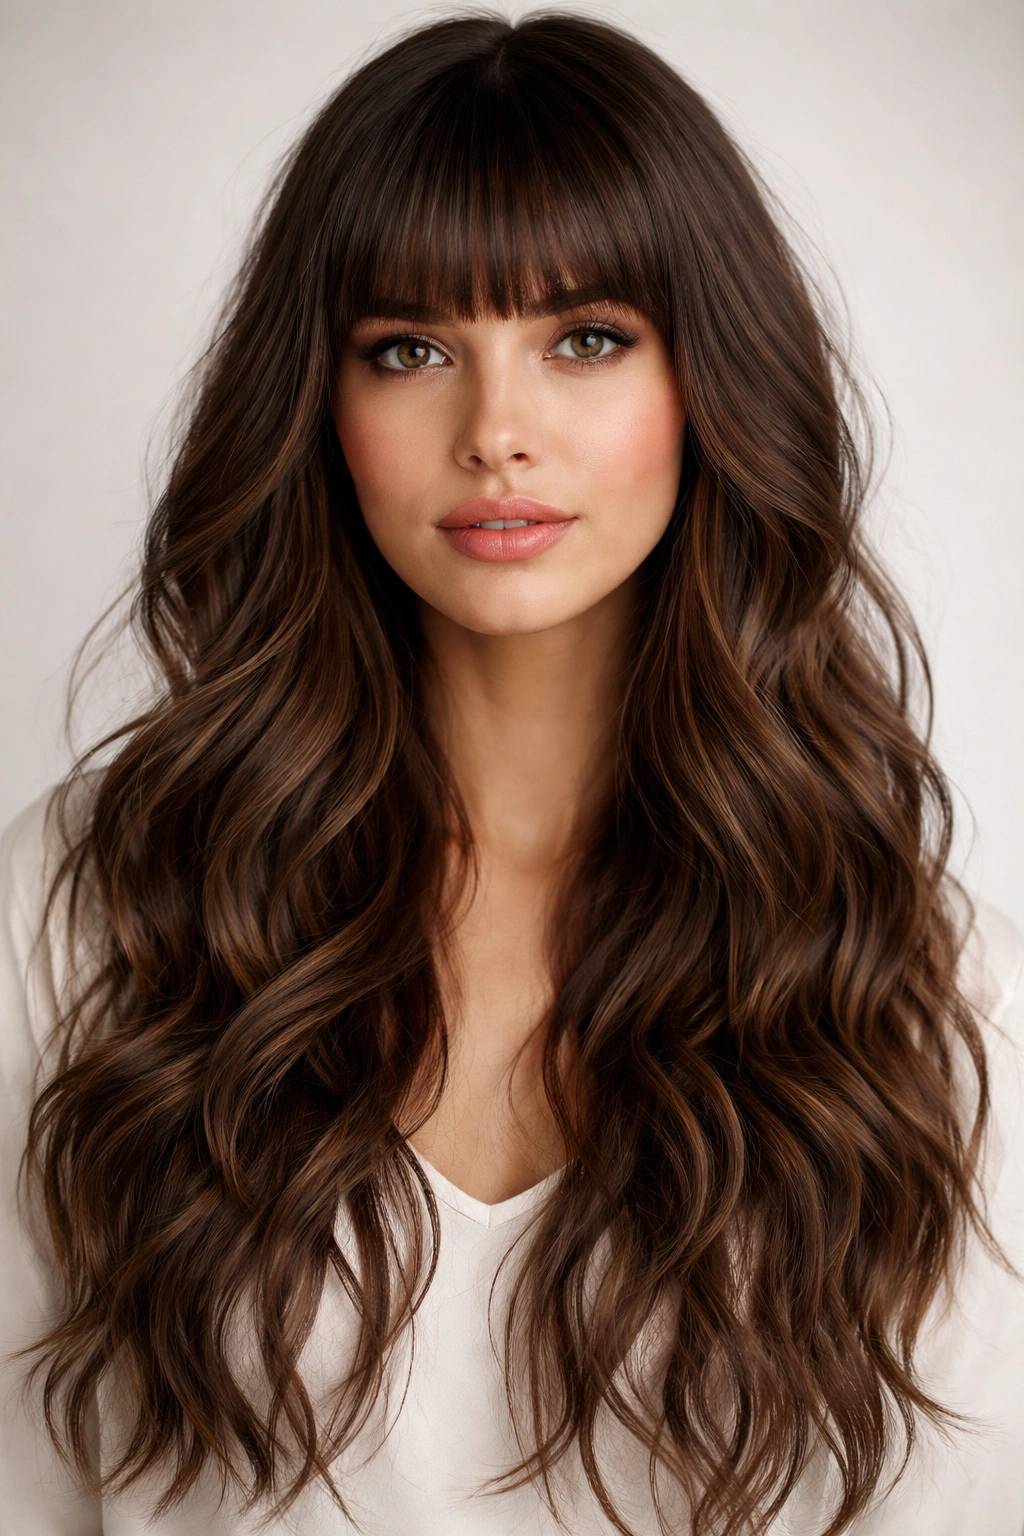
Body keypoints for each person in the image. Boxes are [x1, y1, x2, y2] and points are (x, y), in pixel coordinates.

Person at [1, 12, 1022, 1535]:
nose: (496, 434)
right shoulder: (91, 909)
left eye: (587, 339)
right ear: (322, 409)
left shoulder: (907, 975)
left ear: (710, 384)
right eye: (409, 350)